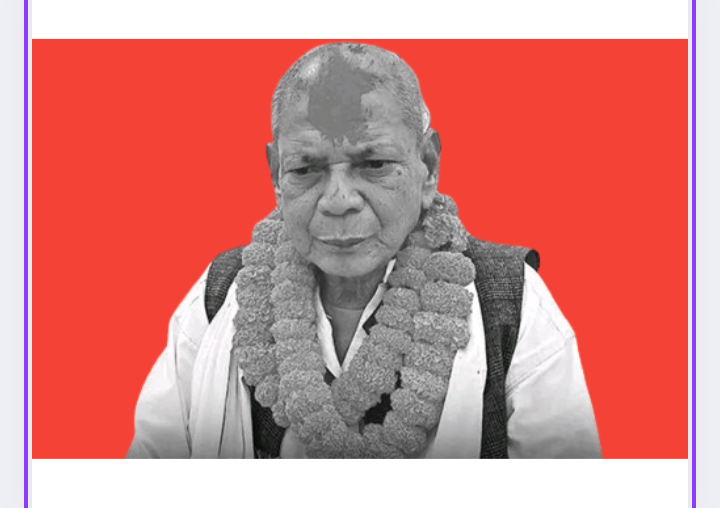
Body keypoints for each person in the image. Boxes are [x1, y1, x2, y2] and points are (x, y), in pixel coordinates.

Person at [126, 42, 601, 459]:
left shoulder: (513, 305)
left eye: (373, 163)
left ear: (428, 165)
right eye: (306, 169)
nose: (338, 201)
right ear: (275, 175)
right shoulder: (220, 296)